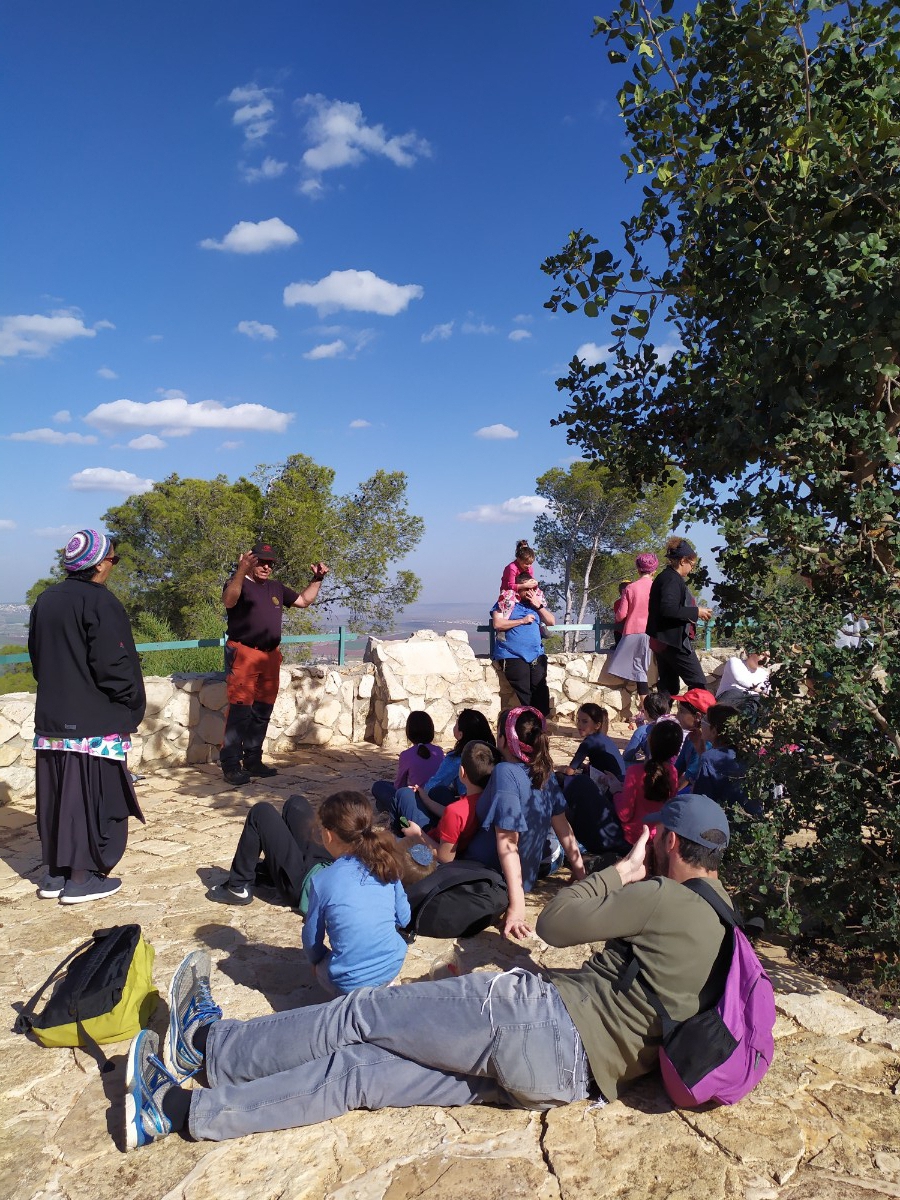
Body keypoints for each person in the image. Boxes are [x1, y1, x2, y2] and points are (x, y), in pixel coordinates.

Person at [124, 793, 734, 1149]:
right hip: (569, 1079)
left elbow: (558, 922)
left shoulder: (662, 894)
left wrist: (620, 872)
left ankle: (207, 1046)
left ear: (670, 843)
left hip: (537, 1024)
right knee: (358, 1076)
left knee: (361, 1015)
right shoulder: (722, 911)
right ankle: (177, 1114)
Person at [27, 529, 146, 904]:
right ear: (99, 564)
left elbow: (37, 658)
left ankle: (54, 875)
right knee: (92, 797)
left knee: (59, 796)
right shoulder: (100, 602)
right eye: (114, 559)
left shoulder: (46, 600)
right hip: (94, 721)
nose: (113, 566)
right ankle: (82, 878)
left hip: (52, 719)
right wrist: (131, 702)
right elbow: (114, 664)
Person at [462, 707, 585, 937]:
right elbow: (562, 826)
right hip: (527, 875)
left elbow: (508, 840)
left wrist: (517, 906)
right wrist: (580, 873)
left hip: (493, 872)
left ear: (503, 739)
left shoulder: (504, 772)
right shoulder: (543, 772)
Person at [220, 541, 329, 786]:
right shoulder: (239, 583)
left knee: (262, 710)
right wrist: (240, 571)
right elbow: (229, 601)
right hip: (244, 654)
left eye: (270, 563)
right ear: (250, 562)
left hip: (270, 656)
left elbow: (303, 601)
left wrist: (317, 579)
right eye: (261, 562)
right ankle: (230, 764)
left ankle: (253, 759)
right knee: (240, 710)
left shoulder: (276, 587)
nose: (266, 567)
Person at [302, 792, 411, 996]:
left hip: (348, 982)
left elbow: (311, 940)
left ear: (328, 835)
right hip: (393, 965)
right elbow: (404, 918)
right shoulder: (385, 863)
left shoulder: (321, 880)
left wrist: (317, 962)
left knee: (320, 967)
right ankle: (383, 985)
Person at [205, 792, 332, 908]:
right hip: (325, 864)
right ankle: (270, 872)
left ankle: (238, 887)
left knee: (261, 812)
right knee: (296, 803)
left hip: (306, 883)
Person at [399, 740, 498, 863]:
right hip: (445, 836)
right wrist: (427, 800)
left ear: (462, 773)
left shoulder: (456, 811)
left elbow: (445, 858)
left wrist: (418, 835)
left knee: (403, 795)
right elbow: (458, 818)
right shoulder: (487, 798)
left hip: (431, 846)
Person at [646, 537, 713, 696]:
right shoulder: (671, 579)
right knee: (698, 684)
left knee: (669, 688)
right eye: (692, 564)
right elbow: (668, 609)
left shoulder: (667, 577)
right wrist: (696, 612)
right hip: (673, 641)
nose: (692, 568)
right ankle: (695, 719)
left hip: (664, 640)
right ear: (683, 560)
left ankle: (661, 719)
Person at [491, 574, 555, 716]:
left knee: (540, 688)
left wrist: (538, 606)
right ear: (519, 588)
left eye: (533, 589)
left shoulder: (536, 605)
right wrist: (522, 621)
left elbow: (551, 621)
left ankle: (540, 721)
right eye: (527, 589)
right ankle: (531, 720)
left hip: (536, 654)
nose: (530, 592)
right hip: (512, 654)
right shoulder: (506, 602)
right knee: (524, 688)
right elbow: (498, 623)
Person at [614, 718, 683, 844]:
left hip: (633, 836)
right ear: (677, 750)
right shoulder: (673, 772)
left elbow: (624, 814)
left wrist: (616, 794)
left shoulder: (634, 771)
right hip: (659, 837)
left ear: (650, 741)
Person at [605, 553, 660, 709]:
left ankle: (645, 710)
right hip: (654, 633)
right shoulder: (658, 588)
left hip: (634, 633)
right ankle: (649, 709)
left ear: (638, 569)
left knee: (639, 671)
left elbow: (620, 615)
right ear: (654, 570)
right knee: (648, 671)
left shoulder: (631, 588)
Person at [371, 711, 445, 824]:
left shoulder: (406, 754)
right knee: (383, 798)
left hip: (414, 800)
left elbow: (399, 786)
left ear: (409, 732)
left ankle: (398, 817)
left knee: (379, 787)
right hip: (434, 800)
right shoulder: (439, 752)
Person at [621, 691, 674, 764]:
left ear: (646, 712)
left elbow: (627, 756)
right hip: (673, 768)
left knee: (624, 763)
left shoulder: (642, 731)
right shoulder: (673, 725)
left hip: (654, 769)